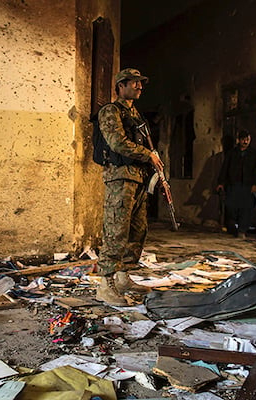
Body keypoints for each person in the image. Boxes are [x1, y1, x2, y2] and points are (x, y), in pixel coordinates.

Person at [96, 68, 164, 306]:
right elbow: (117, 142)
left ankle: (124, 277)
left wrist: (152, 162)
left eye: (141, 84)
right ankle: (105, 284)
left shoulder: (136, 115)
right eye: (135, 83)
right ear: (121, 85)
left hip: (138, 178)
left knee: (138, 230)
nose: (139, 87)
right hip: (120, 178)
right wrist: (148, 155)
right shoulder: (110, 111)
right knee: (116, 231)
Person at [216, 130, 256, 239]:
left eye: (247, 139)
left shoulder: (254, 154)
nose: (245, 141)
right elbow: (225, 168)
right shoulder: (232, 153)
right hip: (233, 185)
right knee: (231, 207)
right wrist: (221, 183)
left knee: (246, 208)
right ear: (239, 140)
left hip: (247, 186)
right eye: (243, 139)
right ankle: (232, 227)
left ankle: (242, 230)